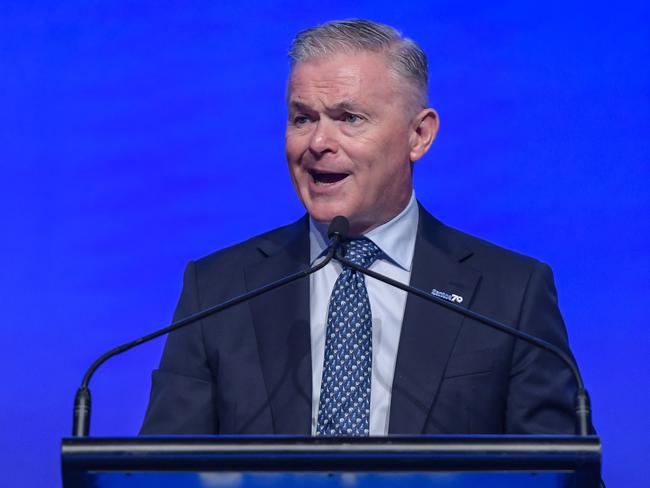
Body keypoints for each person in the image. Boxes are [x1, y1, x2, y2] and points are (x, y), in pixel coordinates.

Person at [141, 19, 582, 436]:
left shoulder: (511, 296)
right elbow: (159, 473)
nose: (317, 143)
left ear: (419, 136)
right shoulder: (218, 290)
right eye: (303, 118)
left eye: (349, 118)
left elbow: (564, 474)